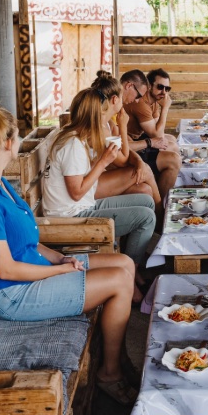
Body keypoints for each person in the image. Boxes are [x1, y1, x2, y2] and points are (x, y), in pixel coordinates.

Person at [0, 100, 139, 405]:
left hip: (31, 271)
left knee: (124, 263)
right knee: (118, 281)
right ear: (8, 143)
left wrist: (59, 258)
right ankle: (110, 373)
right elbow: (6, 269)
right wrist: (60, 270)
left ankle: (117, 356)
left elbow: (25, 242)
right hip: (11, 294)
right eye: (17, 137)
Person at [42, 86, 156, 303]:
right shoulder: (72, 144)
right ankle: (131, 277)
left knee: (145, 200)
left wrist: (102, 159)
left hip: (81, 206)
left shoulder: (77, 137)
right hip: (71, 216)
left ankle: (132, 268)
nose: (106, 118)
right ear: (94, 115)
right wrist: (103, 162)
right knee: (146, 217)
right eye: (104, 112)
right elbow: (76, 193)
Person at [90, 71, 163, 227]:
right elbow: (123, 160)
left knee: (144, 190)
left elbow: (124, 148)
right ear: (114, 99)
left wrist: (138, 161)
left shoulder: (109, 120)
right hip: (88, 183)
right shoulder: (100, 123)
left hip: (99, 175)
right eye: (138, 96)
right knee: (145, 171)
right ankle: (162, 221)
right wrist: (123, 125)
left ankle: (152, 227)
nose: (137, 101)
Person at [121, 68, 181, 201]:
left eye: (167, 89)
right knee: (174, 158)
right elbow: (157, 135)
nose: (164, 92)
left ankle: (162, 182)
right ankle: (162, 201)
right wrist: (165, 108)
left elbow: (158, 130)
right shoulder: (140, 103)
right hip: (132, 144)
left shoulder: (153, 102)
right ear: (149, 86)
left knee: (171, 139)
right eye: (160, 87)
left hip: (136, 140)